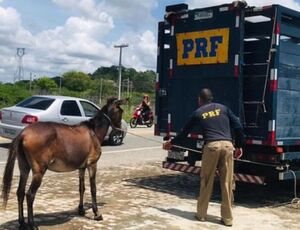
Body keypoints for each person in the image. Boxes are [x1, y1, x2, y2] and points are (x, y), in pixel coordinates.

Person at [163, 88, 244, 227]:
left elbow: (184, 133)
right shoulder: (224, 108)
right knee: (227, 182)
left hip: (211, 146)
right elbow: (238, 126)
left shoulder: (198, 112)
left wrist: (171, 143)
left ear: (200, 100)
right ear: (211, 98)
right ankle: (228, 219)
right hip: (228, 145)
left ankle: (201, 215)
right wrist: (240, 146)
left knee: (206, 180)